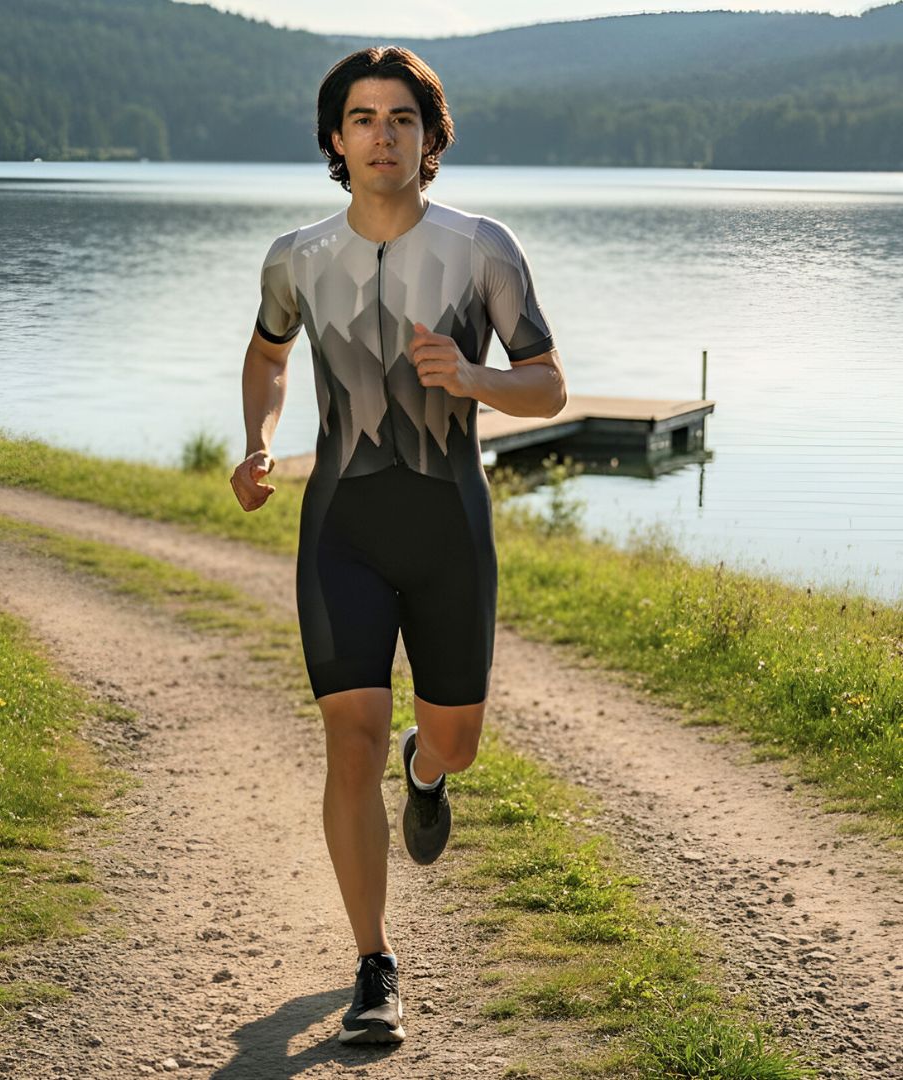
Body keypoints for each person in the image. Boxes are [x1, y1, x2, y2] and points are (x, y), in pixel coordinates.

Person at [229, 45, 567, 1045]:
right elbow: (266, 353)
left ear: (431, 139)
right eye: (365, 118)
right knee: (350, 734)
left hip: (448, 527)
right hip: (341, 528)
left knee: (449, 737)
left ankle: (431, 772)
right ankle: (374, 963)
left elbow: (547, 384)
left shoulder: (483, 250)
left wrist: (472, 376)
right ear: (337, 139)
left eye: (404, 119)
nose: (385, 135)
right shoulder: (296, 257)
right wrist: (256, 439)